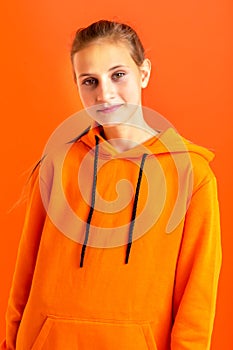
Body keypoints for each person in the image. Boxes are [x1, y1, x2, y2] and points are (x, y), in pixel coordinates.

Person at [1, 20, 221, 350]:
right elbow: (25, 273)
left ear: (143, 72)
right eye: (90, 81)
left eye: (118, 75)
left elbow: (197, 294)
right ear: (77, 84)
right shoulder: (57, 164)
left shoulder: (192, 172)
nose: (104, 93)